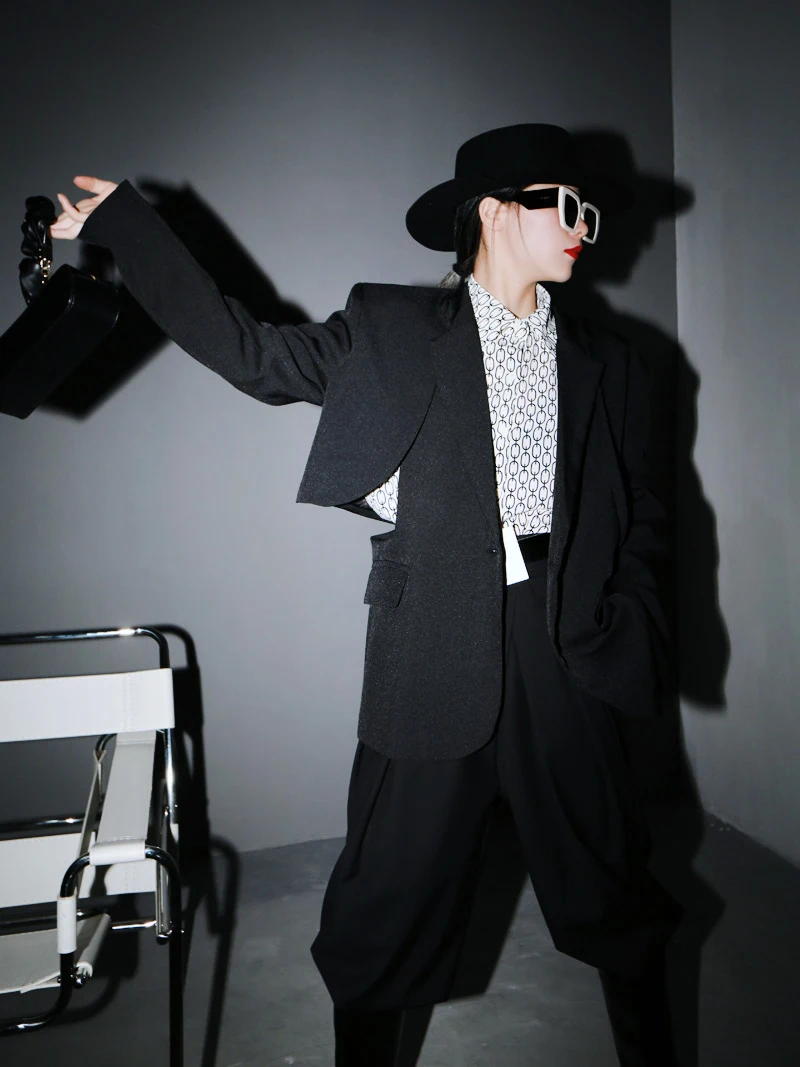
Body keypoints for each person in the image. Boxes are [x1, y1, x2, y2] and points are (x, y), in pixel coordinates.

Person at [51, 123, 683, 1066]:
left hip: (569, 643)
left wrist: (629, 616)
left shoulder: (613, 360)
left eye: (590, 212)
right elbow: (251, 351)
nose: (584, 227)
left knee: (615, 892)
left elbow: (646, 507)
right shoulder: (390, 329)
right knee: (386, 901)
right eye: (566, 206)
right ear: (496, 211)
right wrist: (128, 231)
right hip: (433, 640)